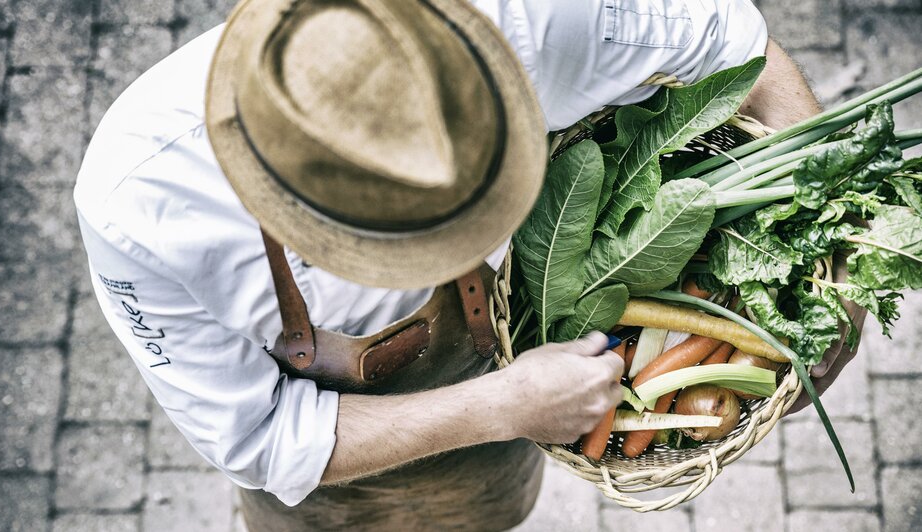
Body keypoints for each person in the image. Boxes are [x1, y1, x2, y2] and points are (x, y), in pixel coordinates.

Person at [74, 0, 861, 529]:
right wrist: (503, 407)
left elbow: (733, 46)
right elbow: (260, 437)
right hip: (345, 488)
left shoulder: (531, 15)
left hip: (499, 449)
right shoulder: (139, 206)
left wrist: (844, 270)